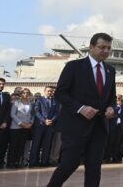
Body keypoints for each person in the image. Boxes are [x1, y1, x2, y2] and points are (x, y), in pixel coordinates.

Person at [47, 32, 117, 187]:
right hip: (75, 126)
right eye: (102, 47)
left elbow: (111, 97)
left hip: (99, 127)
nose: (106, 51)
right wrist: (80, 108)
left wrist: (112, 107)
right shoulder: (74, 66)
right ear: (91, 48)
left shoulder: (110, 70)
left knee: (94, 167)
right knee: (69, 164)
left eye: (108, 48)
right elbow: (60, 93)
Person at [30, 85, 59, 167]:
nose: (50, 92)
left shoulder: (55, 101)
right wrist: (44, 120)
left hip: (50, 125)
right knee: (36, 144)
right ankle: (33, 162)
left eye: (51, 91)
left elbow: (57, 113)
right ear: (44, 91)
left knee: (47, 144)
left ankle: (44, 162)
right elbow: (36, 111)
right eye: (48, 91)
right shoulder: (39, 100)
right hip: (40, 125)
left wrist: (52, 120)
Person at [8, 88, 34, 168]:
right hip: (16, 127)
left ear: (29, 94)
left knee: (21, 145)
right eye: (24, 93)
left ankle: (17, 162)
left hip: (26, 127)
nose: (25, 94)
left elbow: (32, 114)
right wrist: (21, 123)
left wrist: (31, 123)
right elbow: (12, 114)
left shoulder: (30, 103)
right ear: (21, 94)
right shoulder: (16, 102)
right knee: (13, 145)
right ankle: (10, 162)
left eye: (27, 93)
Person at [105, 94, 123, 163]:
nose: (118, 99)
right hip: (112, 126)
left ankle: (115, 157)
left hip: (120, 127)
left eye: (119, 98)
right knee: (110, 142)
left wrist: (116, 115)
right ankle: (108, 157)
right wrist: (117, 110)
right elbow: (110, 115)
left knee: (118, 143)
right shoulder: (112, 107)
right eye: (117, 98)